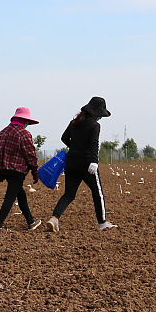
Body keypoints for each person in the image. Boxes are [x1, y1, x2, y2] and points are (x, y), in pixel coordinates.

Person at [47, 96, 116, 232]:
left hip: (71, 162)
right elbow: (94, 145)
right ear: (96, 113)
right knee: (98, 192)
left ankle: (54, 218)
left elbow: (64, 138)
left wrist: (75, 148)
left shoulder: (74, 122)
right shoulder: (95, 125)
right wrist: (94, 162)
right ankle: (102, 223)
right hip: (87, 164)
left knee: (69, 194)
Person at [0, 106, 42, 231]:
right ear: (25, 121)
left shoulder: (2, 132)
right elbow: (30, 154)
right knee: (10, 197)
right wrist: (35, 171)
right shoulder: (24, 134)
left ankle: (31, 222)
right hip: (16, 170)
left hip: (3, 169)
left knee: (20, 193)